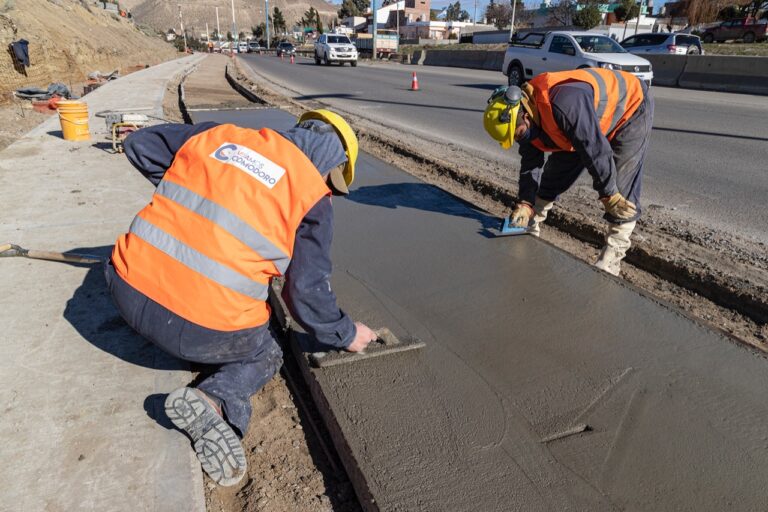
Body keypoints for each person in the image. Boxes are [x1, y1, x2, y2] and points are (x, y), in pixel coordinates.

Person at [105, 110, 378, 486]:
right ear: (334, 164)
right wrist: (346, 334)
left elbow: (139, 144)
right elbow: (303, 296)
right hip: (197, 330)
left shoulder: (222, 136)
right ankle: (215, 399)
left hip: (123, 289)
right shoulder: (313, 195)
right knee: (266, 350)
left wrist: (197, 193)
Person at [483, 68, 654, 276]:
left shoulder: (565, 104)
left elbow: (595, 149)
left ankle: (611, 258)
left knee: (620, 188)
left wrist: (608, 194)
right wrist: (525, 203)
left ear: (525, 115)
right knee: (555, 174)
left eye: (518, 134)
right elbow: (530, 164)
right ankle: (530, 223)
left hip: (630, 107)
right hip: (583, 124)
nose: (521, 139)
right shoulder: (526, 118)